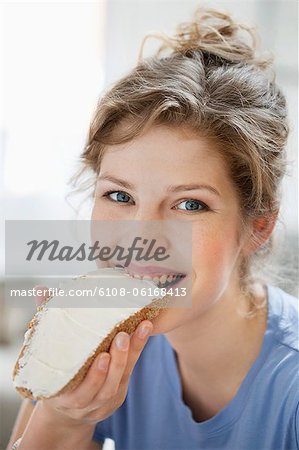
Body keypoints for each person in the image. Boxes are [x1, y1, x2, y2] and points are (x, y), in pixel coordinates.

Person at [7, 7, 298, 450]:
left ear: (257, 225)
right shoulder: (91, 337)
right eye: (120, 196)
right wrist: (62, 419)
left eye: (189, 204)